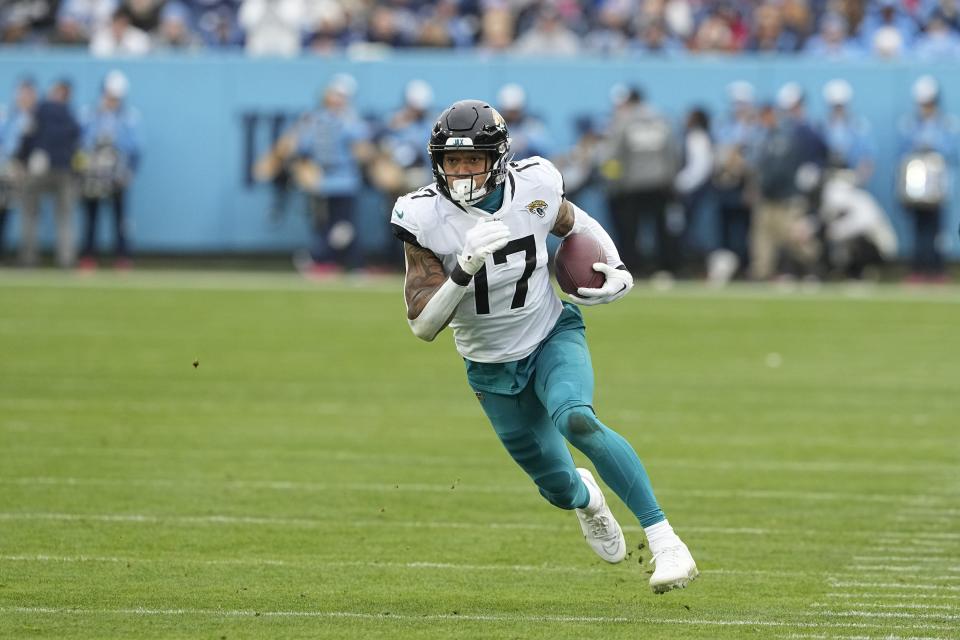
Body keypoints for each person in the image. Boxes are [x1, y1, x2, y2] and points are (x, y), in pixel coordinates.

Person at [389, 99, 698, 595]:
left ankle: (665, 540)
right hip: (489, 366)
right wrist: (462, 270)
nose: (462, 171)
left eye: (473, 160)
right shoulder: (424, 215)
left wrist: (616, 267)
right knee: (557, 487)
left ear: (499, 158)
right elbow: (423, 326)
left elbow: (572, 222)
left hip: (551, 333)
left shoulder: (533, 184)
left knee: (576, 417)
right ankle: (588, 501)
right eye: (452, 161)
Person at [599, 86, 680, 276]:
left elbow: (613, 155)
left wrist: (613, 182)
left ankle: (633, 267)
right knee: (662, 228)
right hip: (661, 183)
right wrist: (671, 178)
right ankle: (665, 267)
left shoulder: (624, 121)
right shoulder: (662, 119)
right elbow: (674, 153)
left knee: (630, 229)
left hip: (632, 185)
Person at [897, 75, 959, 281]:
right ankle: (918, 269)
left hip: (938, 185)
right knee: (918, 228)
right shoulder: (910, 124)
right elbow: (904, 153)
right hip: (916, 185)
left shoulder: (947, 124)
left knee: (937, 230)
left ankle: (937, 270)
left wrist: (933, 150)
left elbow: (950, 151)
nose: (926, 107)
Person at [77, 70, 141, 270]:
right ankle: (88, 256)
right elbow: (79, 143)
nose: (112, 101)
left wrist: (129, 171)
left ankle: (122, 257)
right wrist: (83, 167)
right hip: (93, 175)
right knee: (90, 217)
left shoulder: (129, 117)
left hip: (116, 175)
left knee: (120, 219)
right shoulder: (89, 114)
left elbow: (136, 147)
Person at [19, 78, 81, 268]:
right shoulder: (70, 115)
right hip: (64, 170)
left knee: (30, 213)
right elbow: (77, 143)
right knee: (65, 216)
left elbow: (27, 136)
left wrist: (21, 160)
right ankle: (66, 259)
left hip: (39, 168)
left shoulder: (41, 109)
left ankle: (29, 259)